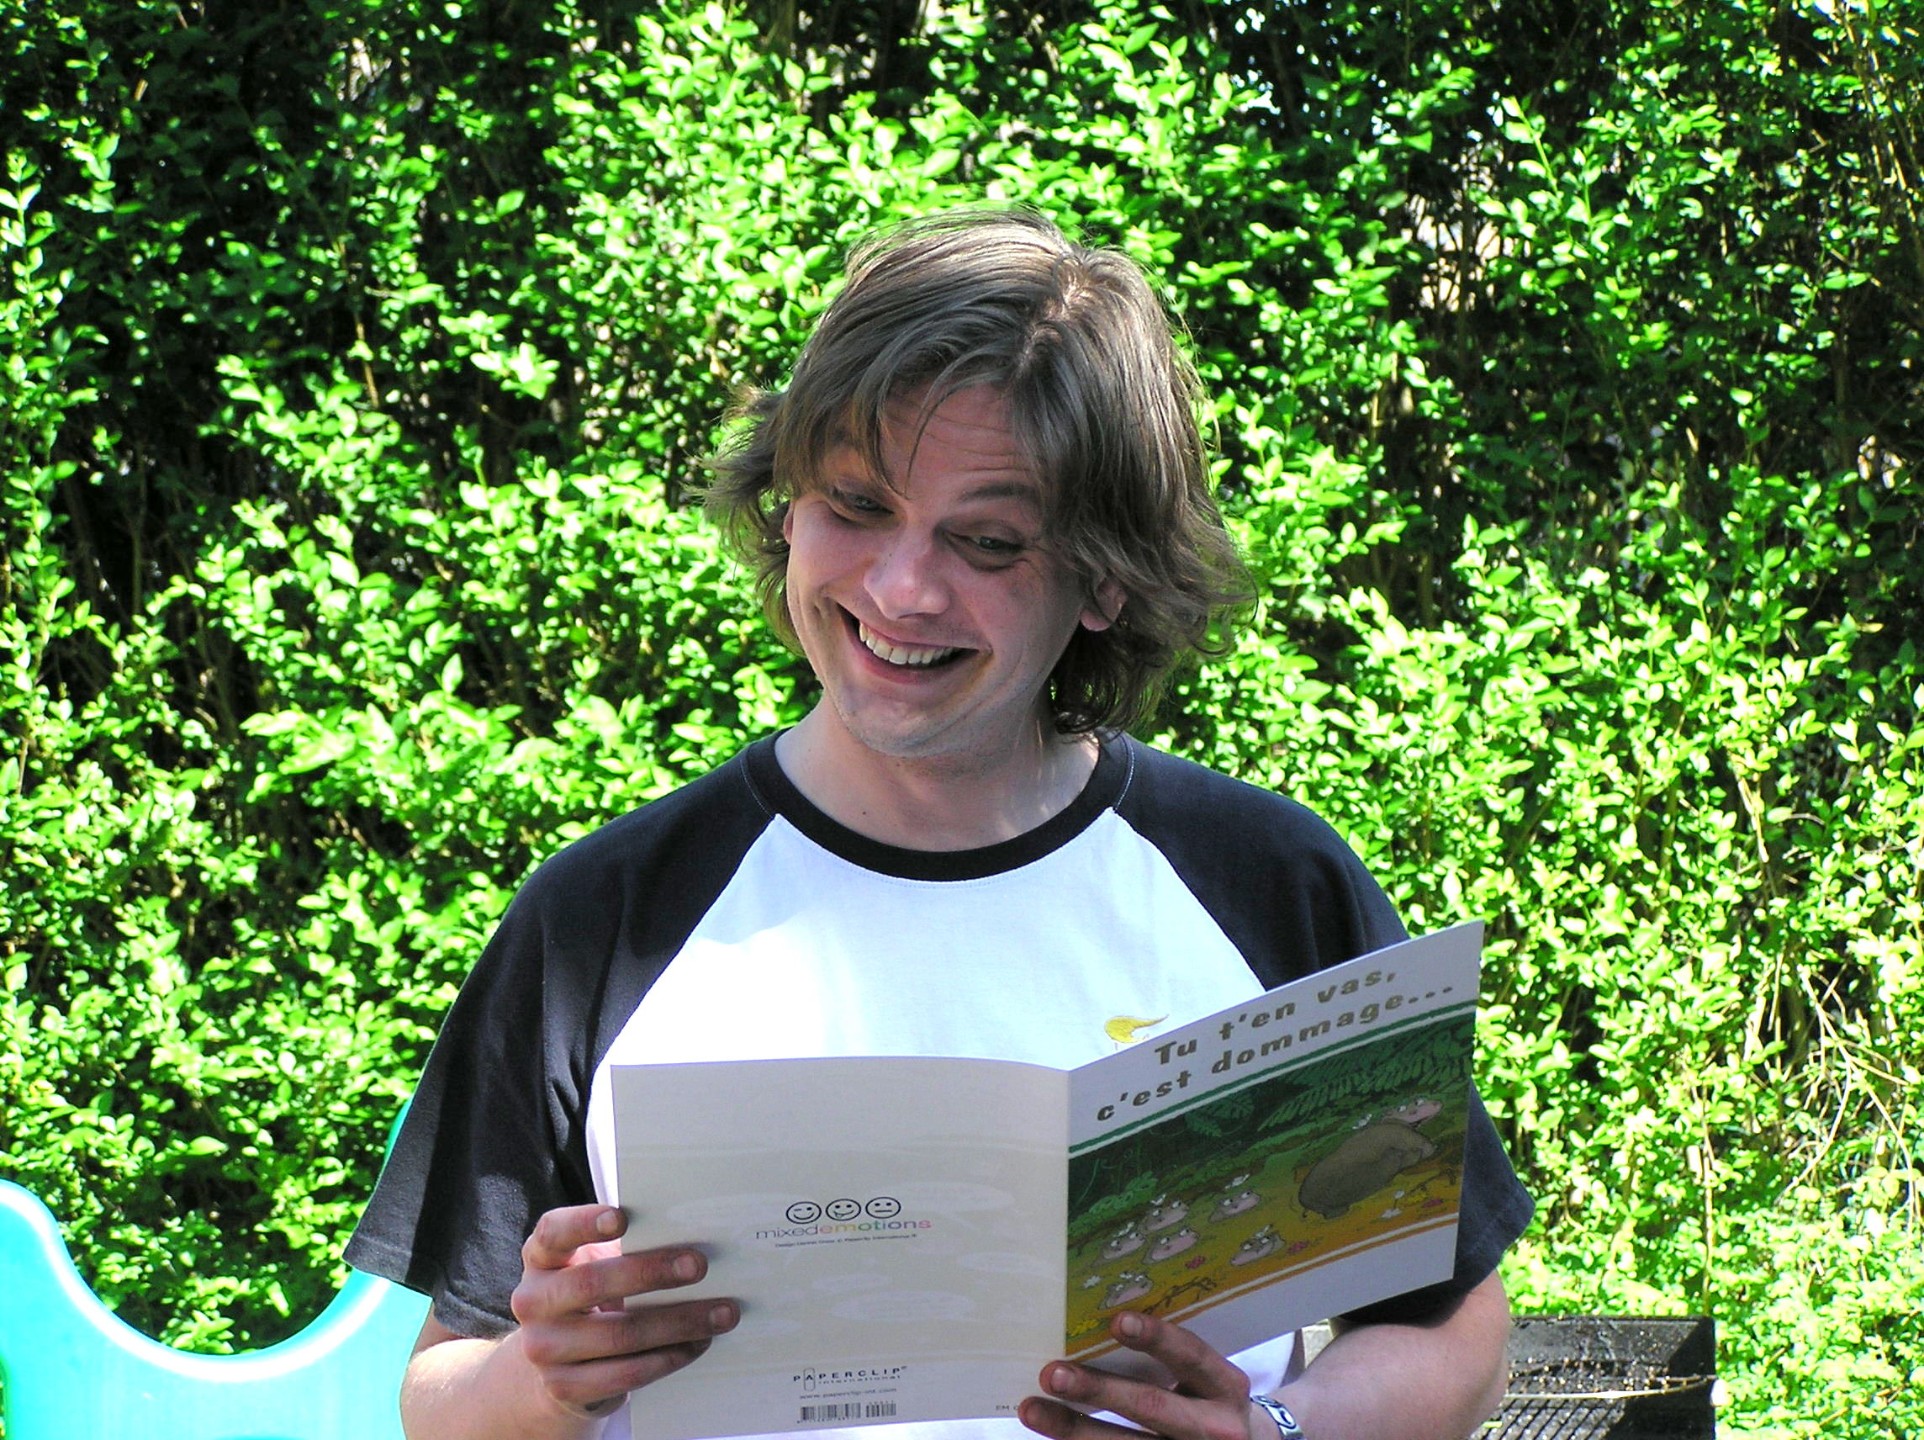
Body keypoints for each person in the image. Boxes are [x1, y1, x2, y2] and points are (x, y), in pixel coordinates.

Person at [346, 207, 1533, 1440]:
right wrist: (546, 1376)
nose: (903, 589)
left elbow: (1454, 1331)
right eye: (857, 506)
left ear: (1105, 578)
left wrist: (1283, 1433)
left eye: (986, 541)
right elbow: (441, 1395)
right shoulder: (604, 919)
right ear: (785, 506)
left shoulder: (1267, 882)